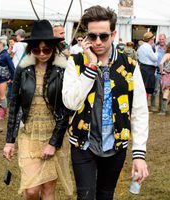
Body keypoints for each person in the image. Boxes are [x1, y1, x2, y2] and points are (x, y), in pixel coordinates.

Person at [62, 5, 149, 200]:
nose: (98, 42)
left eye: (104, 36)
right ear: (86, 37)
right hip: (83, 144)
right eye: (93, 37)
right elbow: (70, 103)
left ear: (114, 34)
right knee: (85, 196)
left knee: (105, 195)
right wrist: (91, 66)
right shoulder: (75, 62)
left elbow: (139, 112)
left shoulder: (129, 66)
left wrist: (139, 154)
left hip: (116, 145)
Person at [3, 20, 73, 200]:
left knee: (48, 189)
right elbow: (14, 104)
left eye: (46, 50)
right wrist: (10, 141)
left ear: (53, 48)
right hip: (28, 133)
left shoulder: (63, 69)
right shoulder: (23, 68)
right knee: (31, 190)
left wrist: (53, 143)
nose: (42, 54)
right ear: (30, 49)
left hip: (54, 134)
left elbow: (66, 110)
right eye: (36, 50)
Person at [0, 36, 15, 120]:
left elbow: (12, 68)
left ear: (2, 44)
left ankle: (1, 115)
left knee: (2, 96)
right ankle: (3, 113)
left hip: (2, 78)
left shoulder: (5, 55)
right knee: (1, 96)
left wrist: (12, 78)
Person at [137, 31, 158, 98]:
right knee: (146, 89)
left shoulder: (141, 47)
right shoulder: (148, 47)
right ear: (150, 39)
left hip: (143, 68)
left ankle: (143, 104)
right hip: (148, 70)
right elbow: (155, 58)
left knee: (143, 88)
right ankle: (144, 105)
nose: (153, 40)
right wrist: (156, 51)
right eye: (153, 39)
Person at [150, 33, 166, 112]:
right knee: (154, 90)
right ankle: (153, 107)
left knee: (163, 91)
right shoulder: (155, 47)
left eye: (162, 39)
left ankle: (162, 109)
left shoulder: (167, 48)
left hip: (165, 73)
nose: (161, 41)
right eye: (160, 39)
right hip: (156, 71)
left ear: (165, 40)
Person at [158, 42, 170, 115]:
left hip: (167, 75)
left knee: (165, 92)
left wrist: (162, 71)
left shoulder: (167, 55)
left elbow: (160, 63)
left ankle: (163, 111)